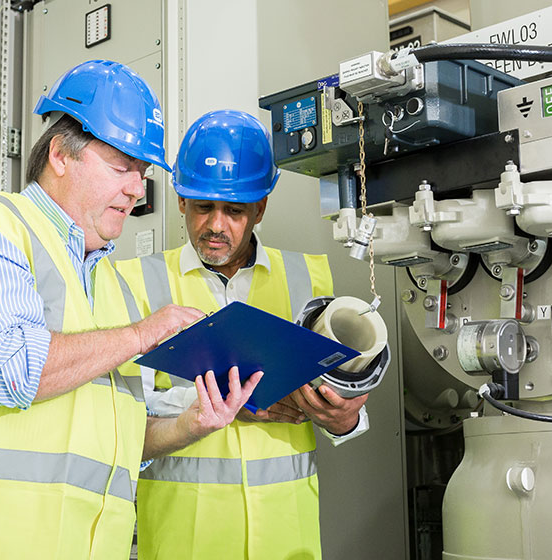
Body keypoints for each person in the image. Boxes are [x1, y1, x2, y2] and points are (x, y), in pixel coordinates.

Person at [0, 61, 260, 559]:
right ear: (60, 154)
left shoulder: (111, 286)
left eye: (141, 174)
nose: (138, 190)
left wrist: (192, 425)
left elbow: (115, 442)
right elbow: (7, 370)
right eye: (122, 168)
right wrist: (142, 335)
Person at [116, 110, 371, 560]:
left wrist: (344, 418)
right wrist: (229, 405)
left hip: (286, 541)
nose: (215, 225)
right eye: (202, 207)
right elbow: (119, 421)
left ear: (260, 208)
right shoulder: (137, 282)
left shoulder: (308, 280)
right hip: (185, 542)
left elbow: (341, 407)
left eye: (234, 211)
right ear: (180, 200)